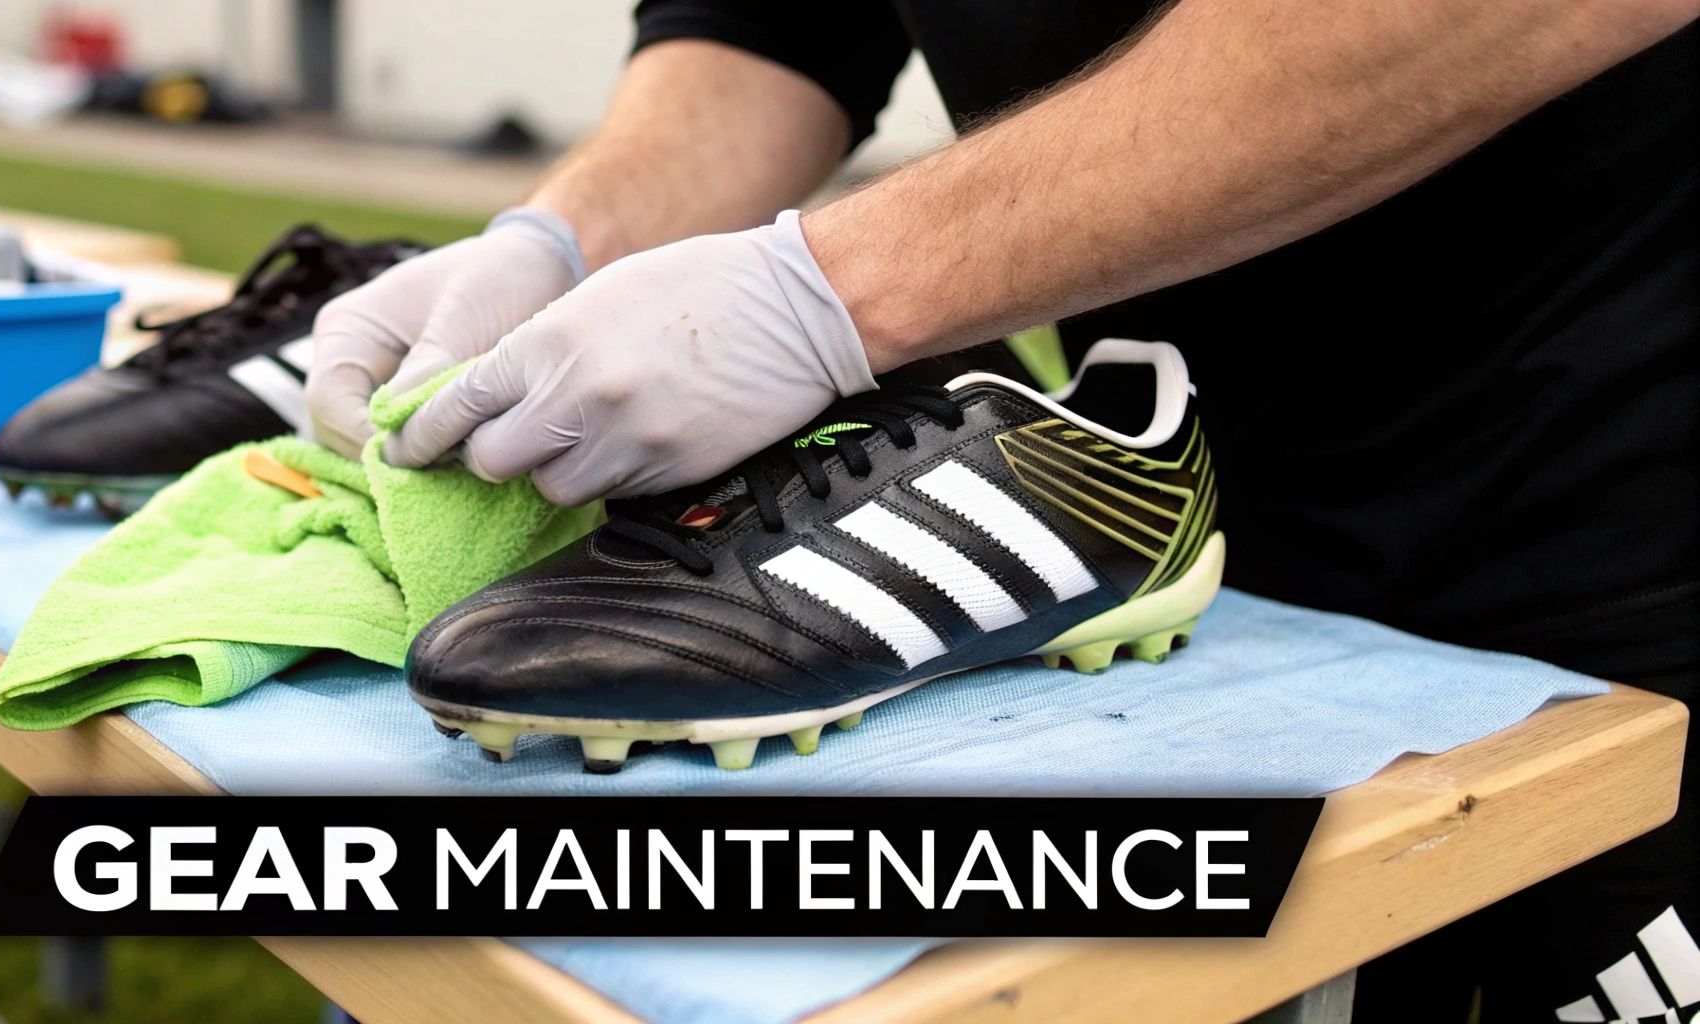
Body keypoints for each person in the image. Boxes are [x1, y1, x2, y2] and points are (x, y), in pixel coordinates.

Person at [307, 2, 1699, 1019]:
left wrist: (834, 288)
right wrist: (563, 240)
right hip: (1214, 555)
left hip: (1625, 542)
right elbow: (770, 27)